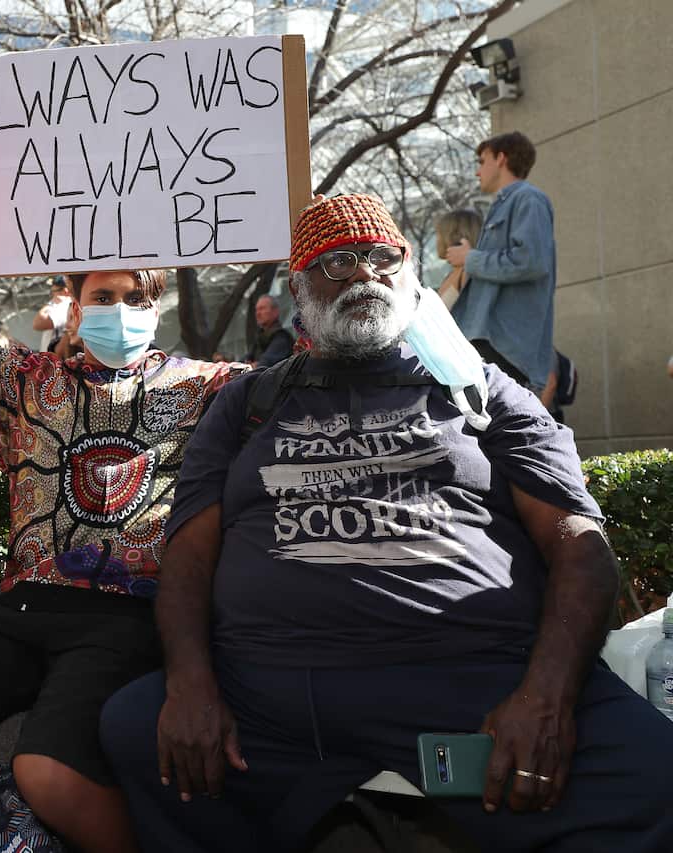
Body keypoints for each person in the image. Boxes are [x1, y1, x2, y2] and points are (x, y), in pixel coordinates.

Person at [99, 194, 673, 853]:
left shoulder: (482, 390)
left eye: (382, 258)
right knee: (134, 728)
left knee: (653, 772)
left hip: (473, 682)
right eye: (337, 263)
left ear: (412, 273)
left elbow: (580, 543)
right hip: (273, 696)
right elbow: (189, 556)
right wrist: (191, 684)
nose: (365, 274)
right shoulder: (246, 405)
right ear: (299, 288)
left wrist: (545, 695)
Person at [0, 269, 246, 853]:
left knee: (50, 773)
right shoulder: (25, 381)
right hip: (21, 606)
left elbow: (308, 374)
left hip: (129, 615)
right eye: (103, 297)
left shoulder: (209, 388)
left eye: (136, 298)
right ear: (74, 307)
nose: (120, 311)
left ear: (158, 306)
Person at [448, 132, 557, 392]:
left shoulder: (528, 199)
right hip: (489, 340)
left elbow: (531, 262)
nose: (477, 172)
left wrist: (470, 258)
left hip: (504, 345)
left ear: (500, 158)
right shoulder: (506, 204)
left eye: (482, 161)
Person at [434, 208, 483, 310]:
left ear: (451, 236)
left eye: (439, 234)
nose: (436, 240)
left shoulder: (467, 273)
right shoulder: (456, 271)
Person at [244, 294, 293, 368]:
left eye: (262, 308)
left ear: (275, 312)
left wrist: (251, 366)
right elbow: (244, 360)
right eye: (256, 310)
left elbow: (264, 364)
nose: (258, 313)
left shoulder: (281, 337)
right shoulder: (260, 337)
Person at [32, 276, 73, 351]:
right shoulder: (60, 304)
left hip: (58, 357)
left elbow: (38, 324)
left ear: (65, 291)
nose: (52, 294)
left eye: (54, 291)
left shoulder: (65, 303)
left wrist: (49, 305)